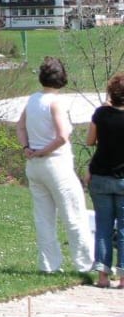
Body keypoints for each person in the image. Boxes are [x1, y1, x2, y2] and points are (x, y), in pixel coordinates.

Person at [16, 56, 93, 273]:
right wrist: (42, 151)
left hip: (34, 167)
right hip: (56, 164)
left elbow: (20, 127)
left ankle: (48, 265)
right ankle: (84, 264)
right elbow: (62, 136)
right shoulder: (56, 102)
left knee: (44, 218)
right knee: (74, 214)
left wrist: (27, 149)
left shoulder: (32, 100)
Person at [86, 73, 124, 287]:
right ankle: (123, 278)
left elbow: (90, 140)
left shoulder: (100, 114)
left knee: (103, 226)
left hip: (100, 175)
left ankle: (102, 275)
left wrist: (105, 108)